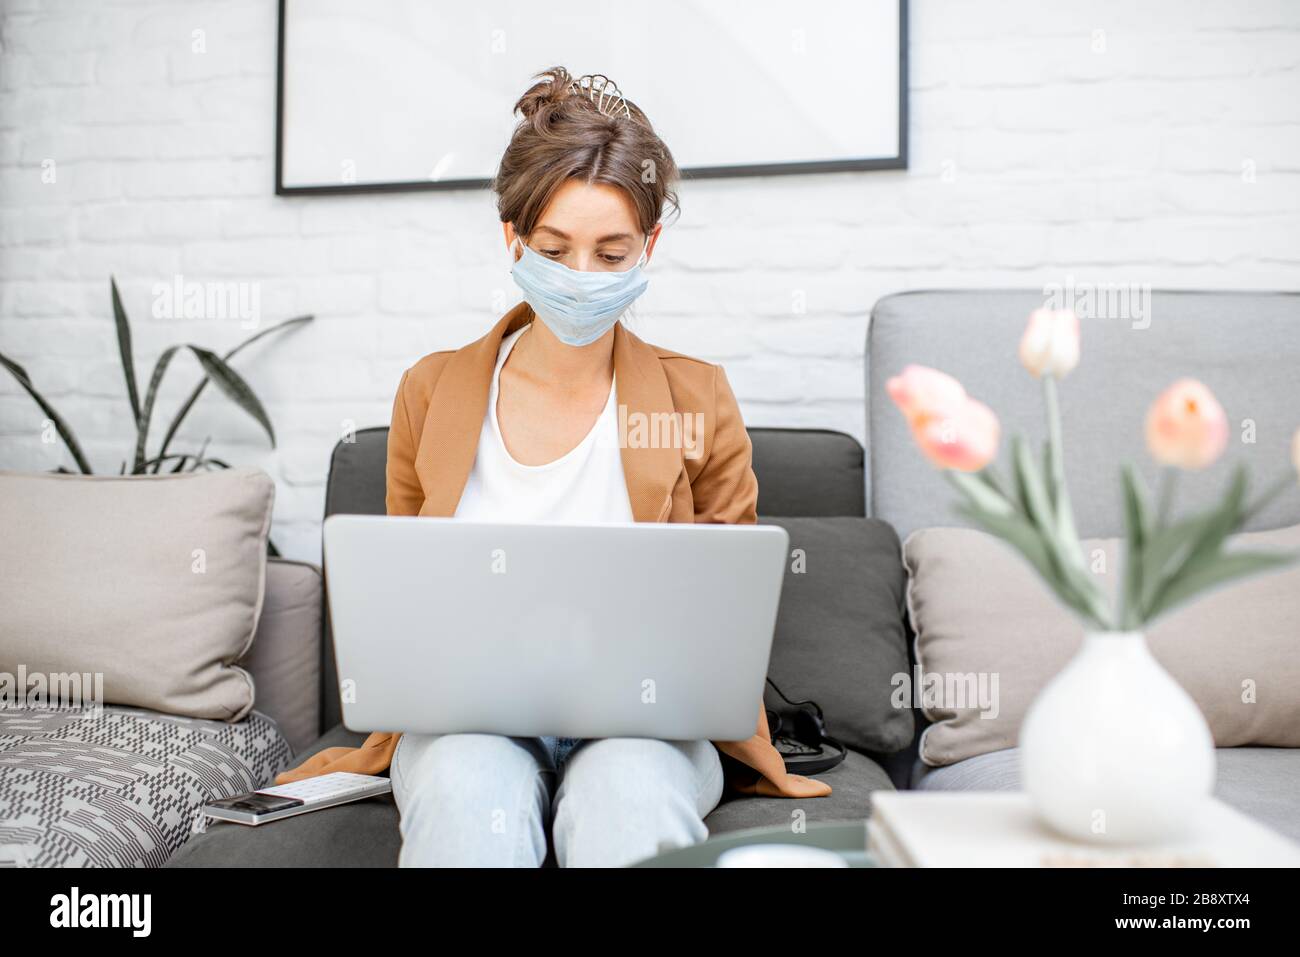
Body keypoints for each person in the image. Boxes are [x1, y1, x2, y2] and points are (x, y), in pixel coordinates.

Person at [274, 66, 832, 867]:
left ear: (650, 246)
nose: (582, 277)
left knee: (629, 798)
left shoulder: (697, 397)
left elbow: (725, 615)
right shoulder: (430, 392)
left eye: (613, 253)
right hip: (465, 725)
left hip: (649, 727)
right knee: (467, 792)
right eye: (554, 249)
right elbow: (399, 595)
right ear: (512, 239)